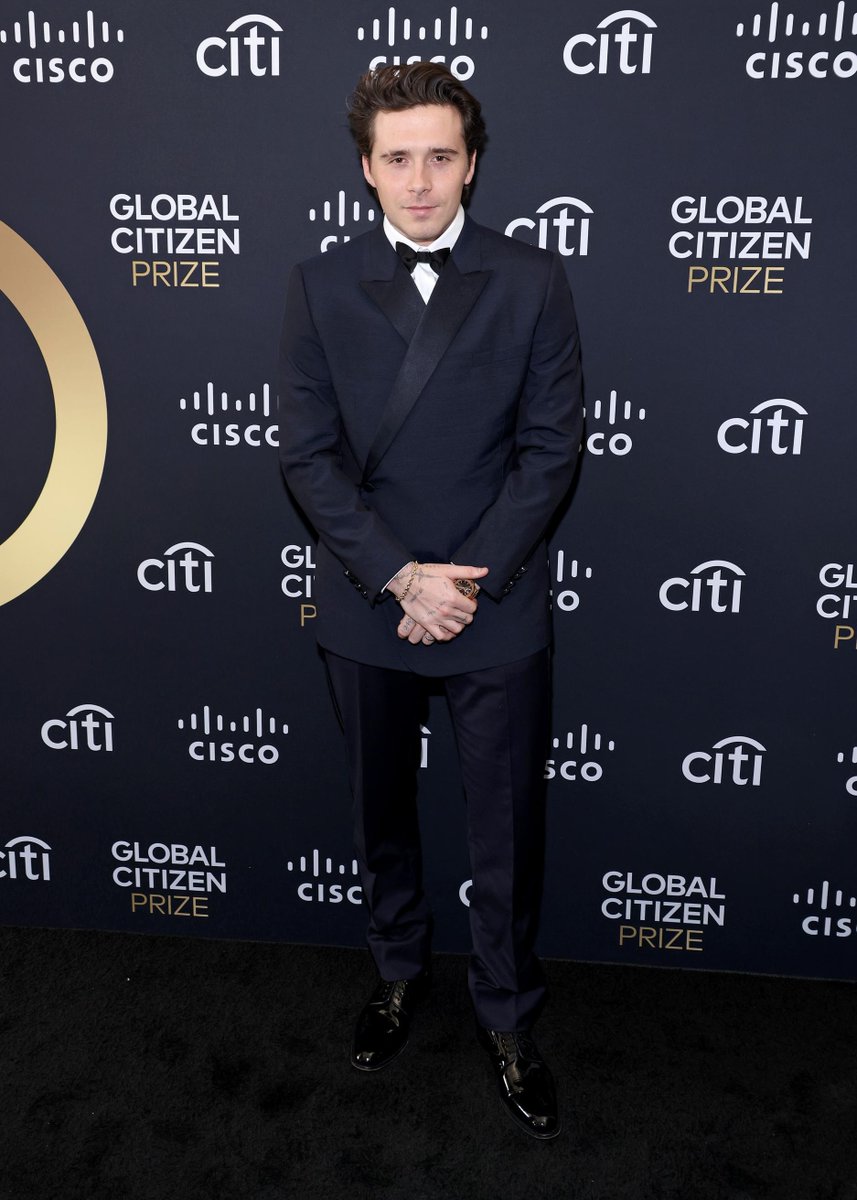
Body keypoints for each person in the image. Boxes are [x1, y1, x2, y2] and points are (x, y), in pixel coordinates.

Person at [279, 62, 582, 1140]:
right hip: (371, 598)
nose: (419, 181)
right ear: (365, 168)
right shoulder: (319, 284)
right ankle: (396, 973)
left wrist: (463, 580)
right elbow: (307, 460)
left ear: (470, 164)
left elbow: (549, 456)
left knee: (506, 828)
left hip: (490, 602)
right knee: (380, 816)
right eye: (397, 158)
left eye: (439, 157)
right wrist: (400, 575)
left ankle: (506, 1017)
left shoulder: (532, 280)